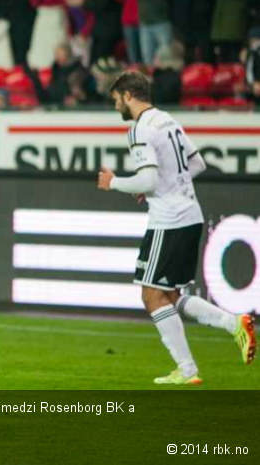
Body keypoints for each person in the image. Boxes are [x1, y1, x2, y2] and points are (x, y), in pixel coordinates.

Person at [97, 71, 256, 385]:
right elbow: (197, 164)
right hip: (190, 215)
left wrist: (113, 182)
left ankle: (189, 367)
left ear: (129, 96)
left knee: (151, 296)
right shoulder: (167, 120)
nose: (116, 107)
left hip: (168, 221)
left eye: (117, 100)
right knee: (169, 295)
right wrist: (163, 185)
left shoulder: (139, 128)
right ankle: (230, 326)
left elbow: (150, 179)